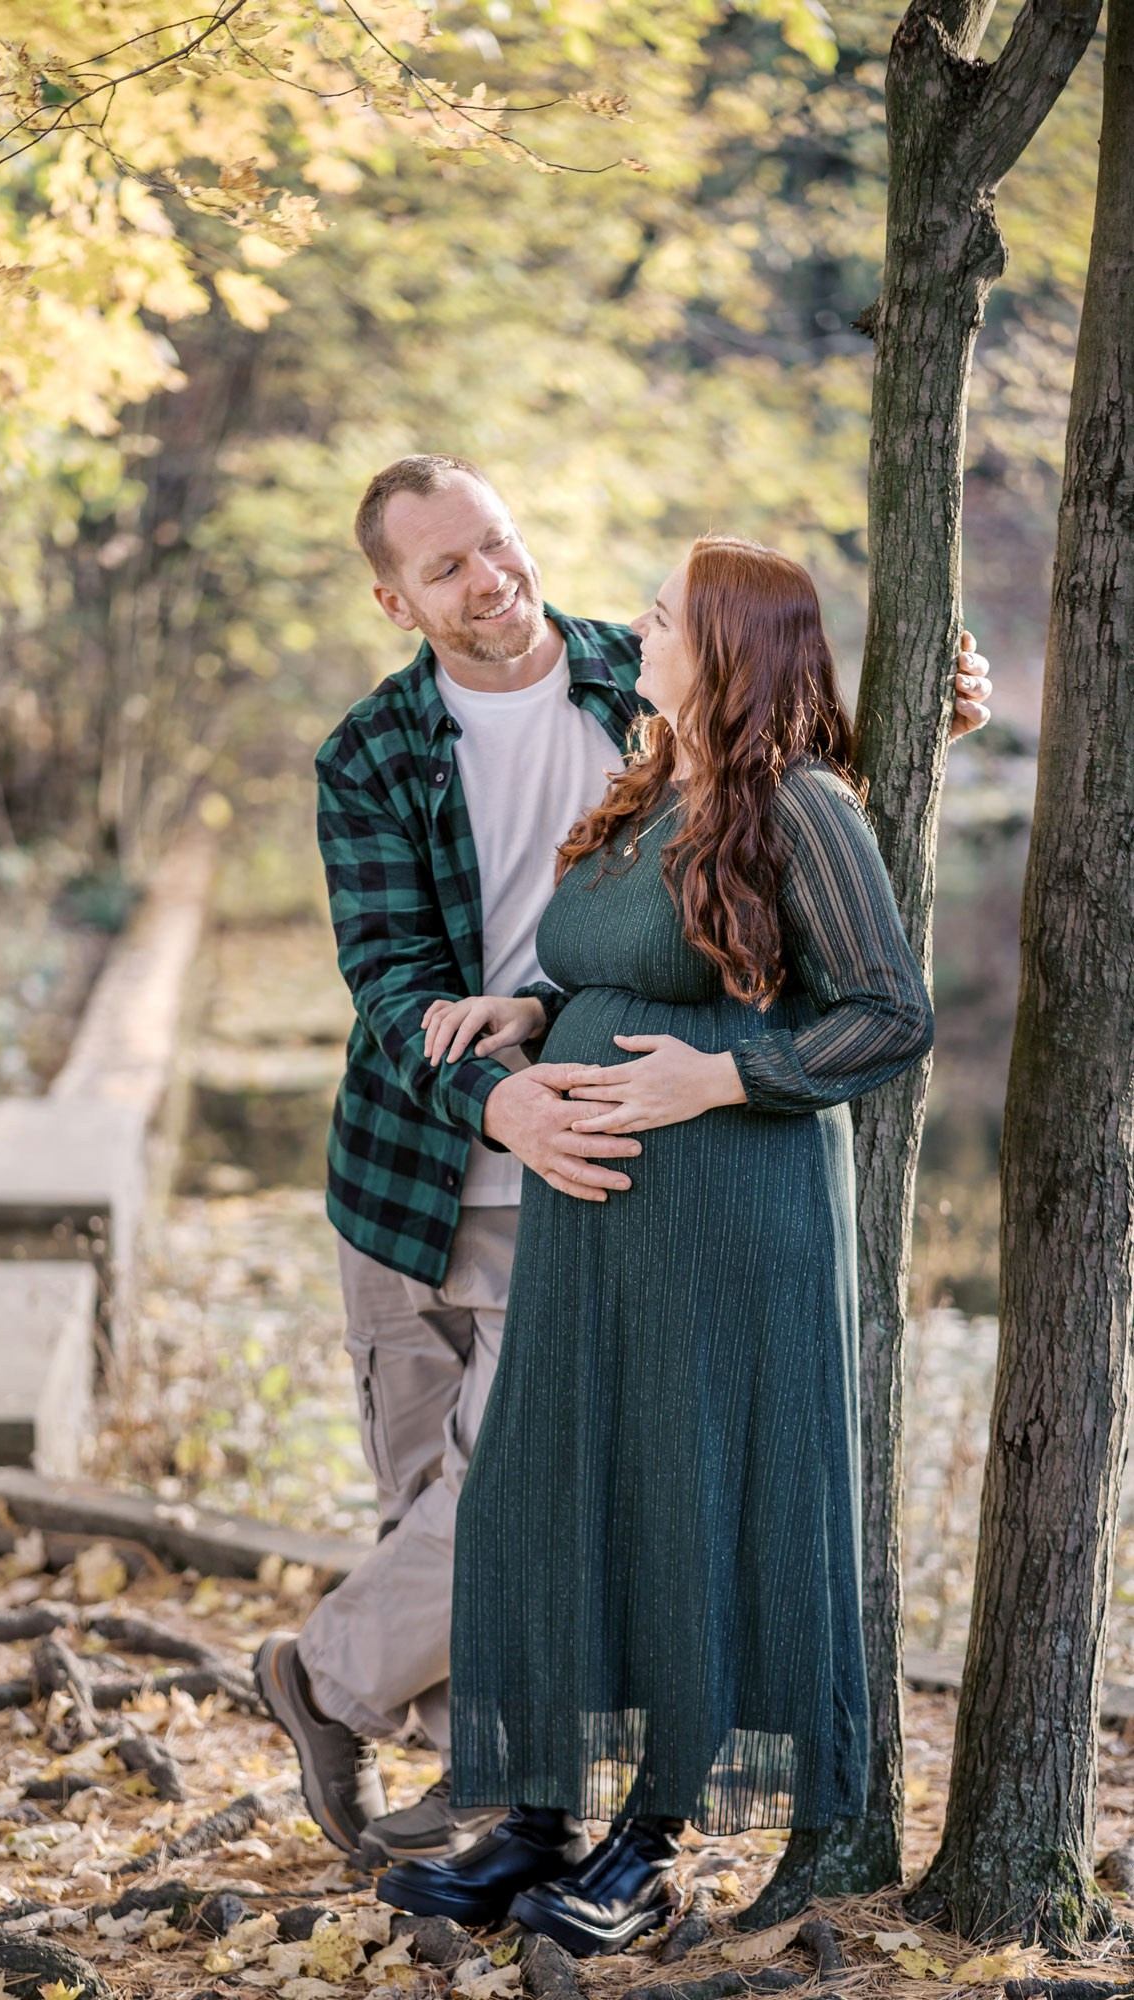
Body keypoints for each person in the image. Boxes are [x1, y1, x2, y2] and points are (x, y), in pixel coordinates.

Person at [252, 457, 991, 1866]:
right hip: (414, 1172)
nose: (491, 579)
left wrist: (922, 716)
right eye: (447, 568)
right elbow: (393, 977)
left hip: (595, 1178)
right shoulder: (371, 755)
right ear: (395, 602)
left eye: (497, 542)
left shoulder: (627, 677)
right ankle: (478, 1792)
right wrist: (501, 1096)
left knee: (523, 1490)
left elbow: (776, 760)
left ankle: (322, 1682)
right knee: (425, 1501)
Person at [373, 535, 934, 1953]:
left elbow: (887, 1014)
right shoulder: (649, 784)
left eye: (665, 616)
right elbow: (611, 962)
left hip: (725, 1220)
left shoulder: (801, 806)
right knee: (549, 1490)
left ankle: (653, 1840)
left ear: (729, 649)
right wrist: (529, 1013)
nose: (638, 628)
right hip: (591, 1228)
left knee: (689, 1503)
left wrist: (722, 1077)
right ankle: (537, 1818)